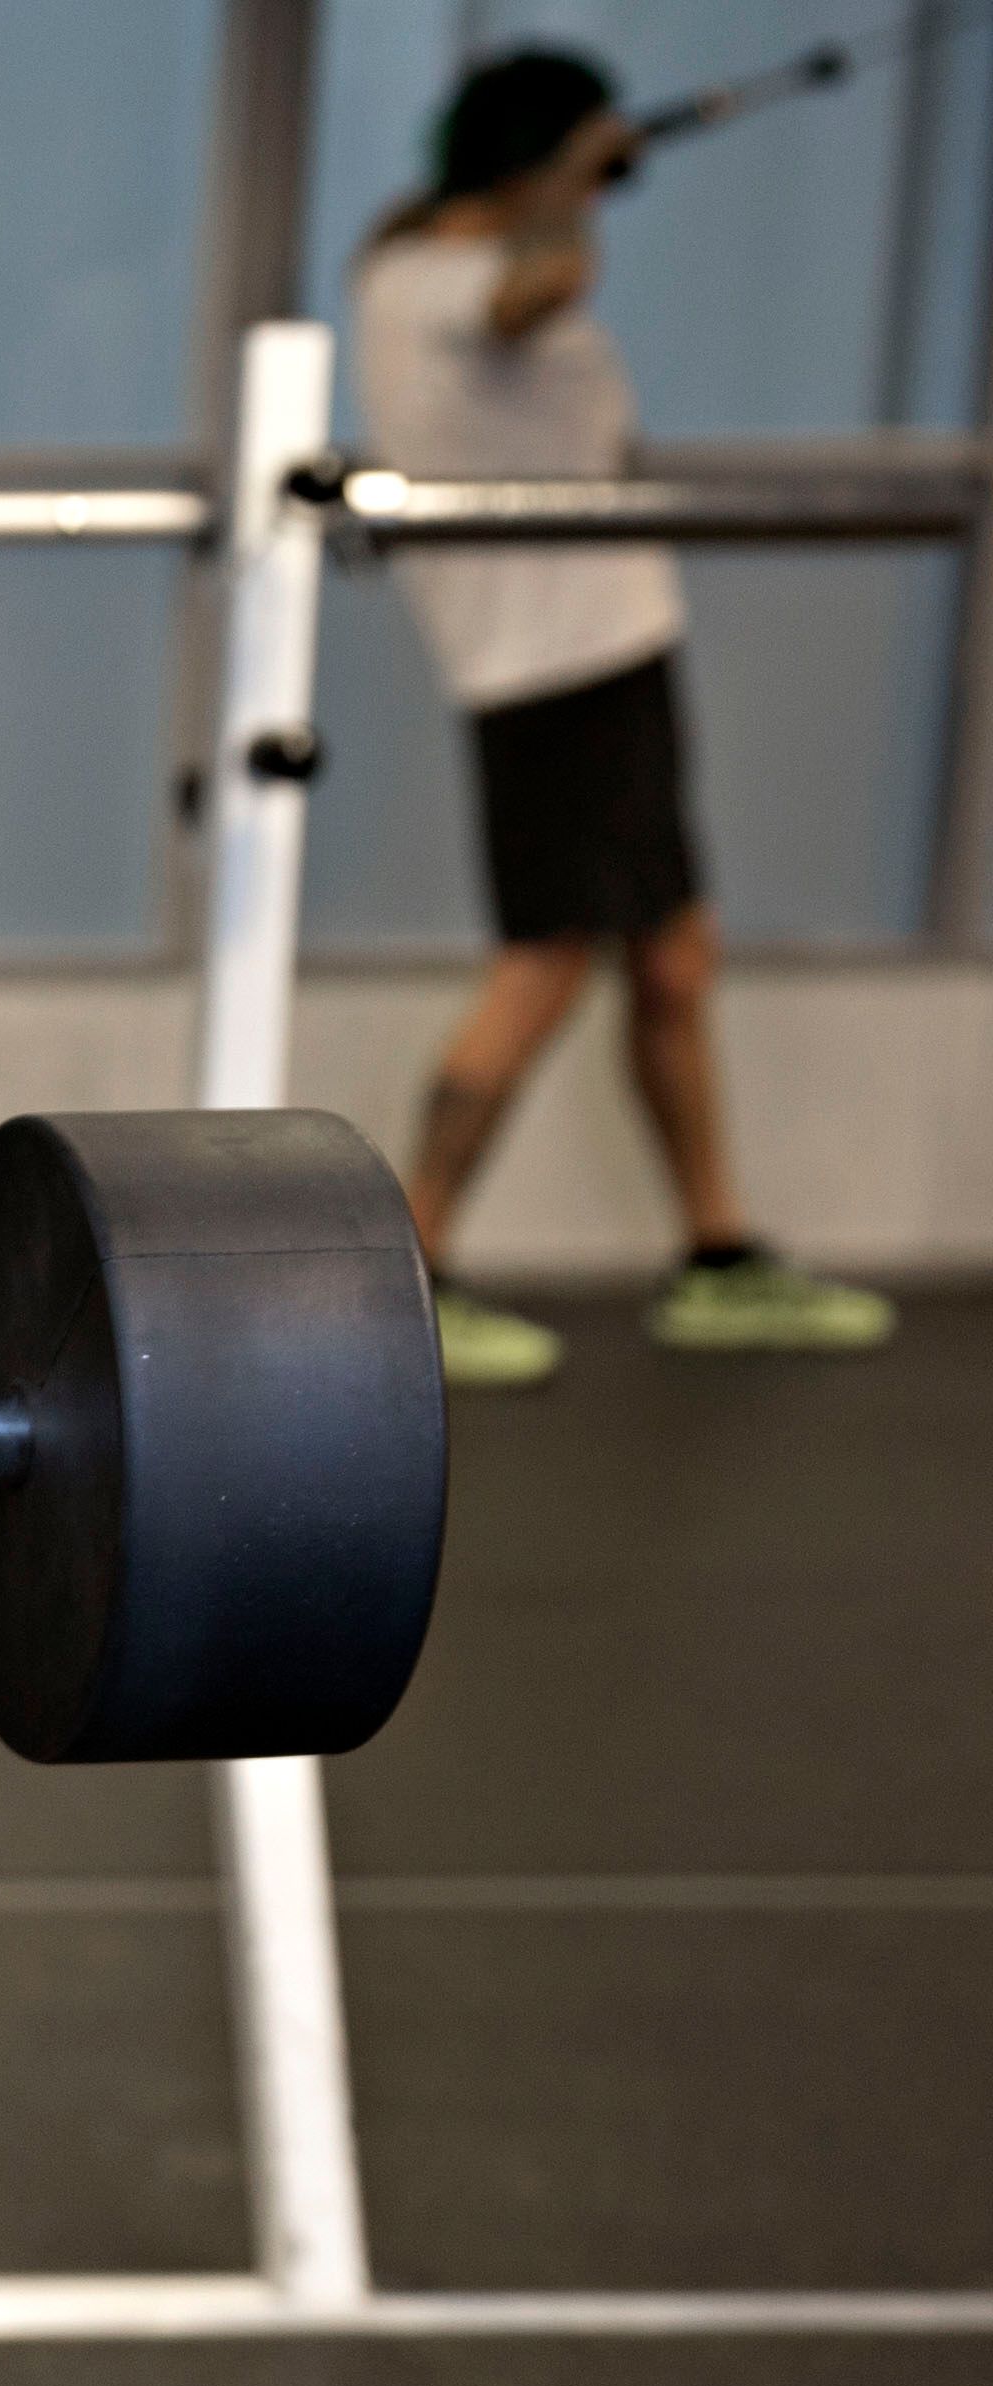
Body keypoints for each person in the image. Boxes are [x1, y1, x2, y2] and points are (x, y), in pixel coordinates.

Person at [349, 43, 893, 1390]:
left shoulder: (434, 265)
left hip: (613, 654)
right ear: (538, 156)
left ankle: (716, 1252)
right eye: (585, 160)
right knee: (544, 967)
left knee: (673, 957)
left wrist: (568, 177)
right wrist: (572, 181)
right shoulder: (440, 277)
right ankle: (409, 1272)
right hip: (555, 671)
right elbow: (542, 287)